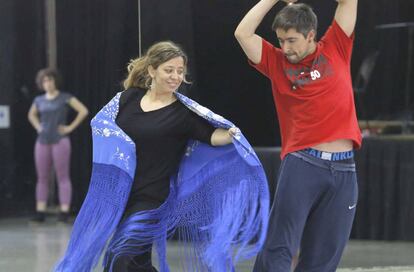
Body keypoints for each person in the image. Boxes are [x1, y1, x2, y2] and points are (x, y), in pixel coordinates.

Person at [54, 41, 270, 272]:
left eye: (180, 71)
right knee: (136, 263)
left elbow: (211, 136)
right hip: (122, 196)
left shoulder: (184, 113)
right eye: (169, 70)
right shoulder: (127, 99)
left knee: (121, 258)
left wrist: (231, 134)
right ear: (151, 71)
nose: (175, 76)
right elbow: (101, 124)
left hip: (153, 199)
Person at [235, 0, 361, 271]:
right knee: (280, 245)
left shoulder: (336, 46)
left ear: (311, 35)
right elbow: (242, 33)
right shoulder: (275, 61)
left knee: (325, 253)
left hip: (344, 169)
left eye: (291, 40)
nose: (286, 48)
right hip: (304, 162)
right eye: (281, 40)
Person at [28, 68, 89, 223]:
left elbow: (83, 111)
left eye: (50, 80)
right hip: (42, 141)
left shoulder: (65, 98)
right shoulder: (39, 100)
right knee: (42, 177)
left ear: (55, 81)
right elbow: (31, 114)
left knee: (63, 176)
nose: (48, 83)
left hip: (60, 141)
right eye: (45, 81)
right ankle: (40, 211)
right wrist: (37, 126)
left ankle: (64, 211)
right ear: (41, 83)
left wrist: (69, 127)